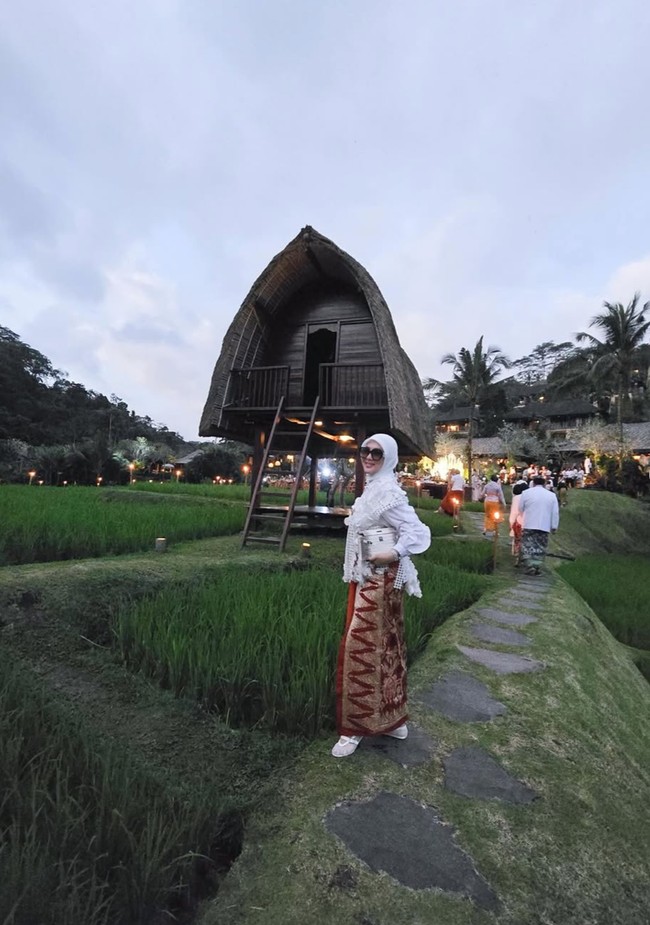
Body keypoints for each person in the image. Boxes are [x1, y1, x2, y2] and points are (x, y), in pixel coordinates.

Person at [332, 434, 431, 758]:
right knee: (387, 648)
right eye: (365, 451)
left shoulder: (388, 492)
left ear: (388, 457)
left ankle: (355, 729)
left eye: (377, 452)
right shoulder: (375, 487)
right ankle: (390, 719)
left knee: (361, 648)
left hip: (379, 580)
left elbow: (417, 531)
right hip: (370, 578)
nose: (369, 456)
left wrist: (395, 552)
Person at [518, 474, 560, 576]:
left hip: (529, 523)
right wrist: (554, 526)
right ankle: (537, 567)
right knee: (540, 547)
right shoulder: (551, 495)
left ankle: (529, 566)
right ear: (545, 483)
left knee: (528, 546)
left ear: (533, 482)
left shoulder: (526, 493)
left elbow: (520, 509)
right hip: (544, 526)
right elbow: (555, 512)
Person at [509, 476, 528, 566]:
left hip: (519, 521)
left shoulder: (517, 498)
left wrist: (511, 522)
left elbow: (514, 511)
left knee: (517, 540)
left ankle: (517, 556)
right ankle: (524, 556)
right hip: (529, 522)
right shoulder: (529, 497)